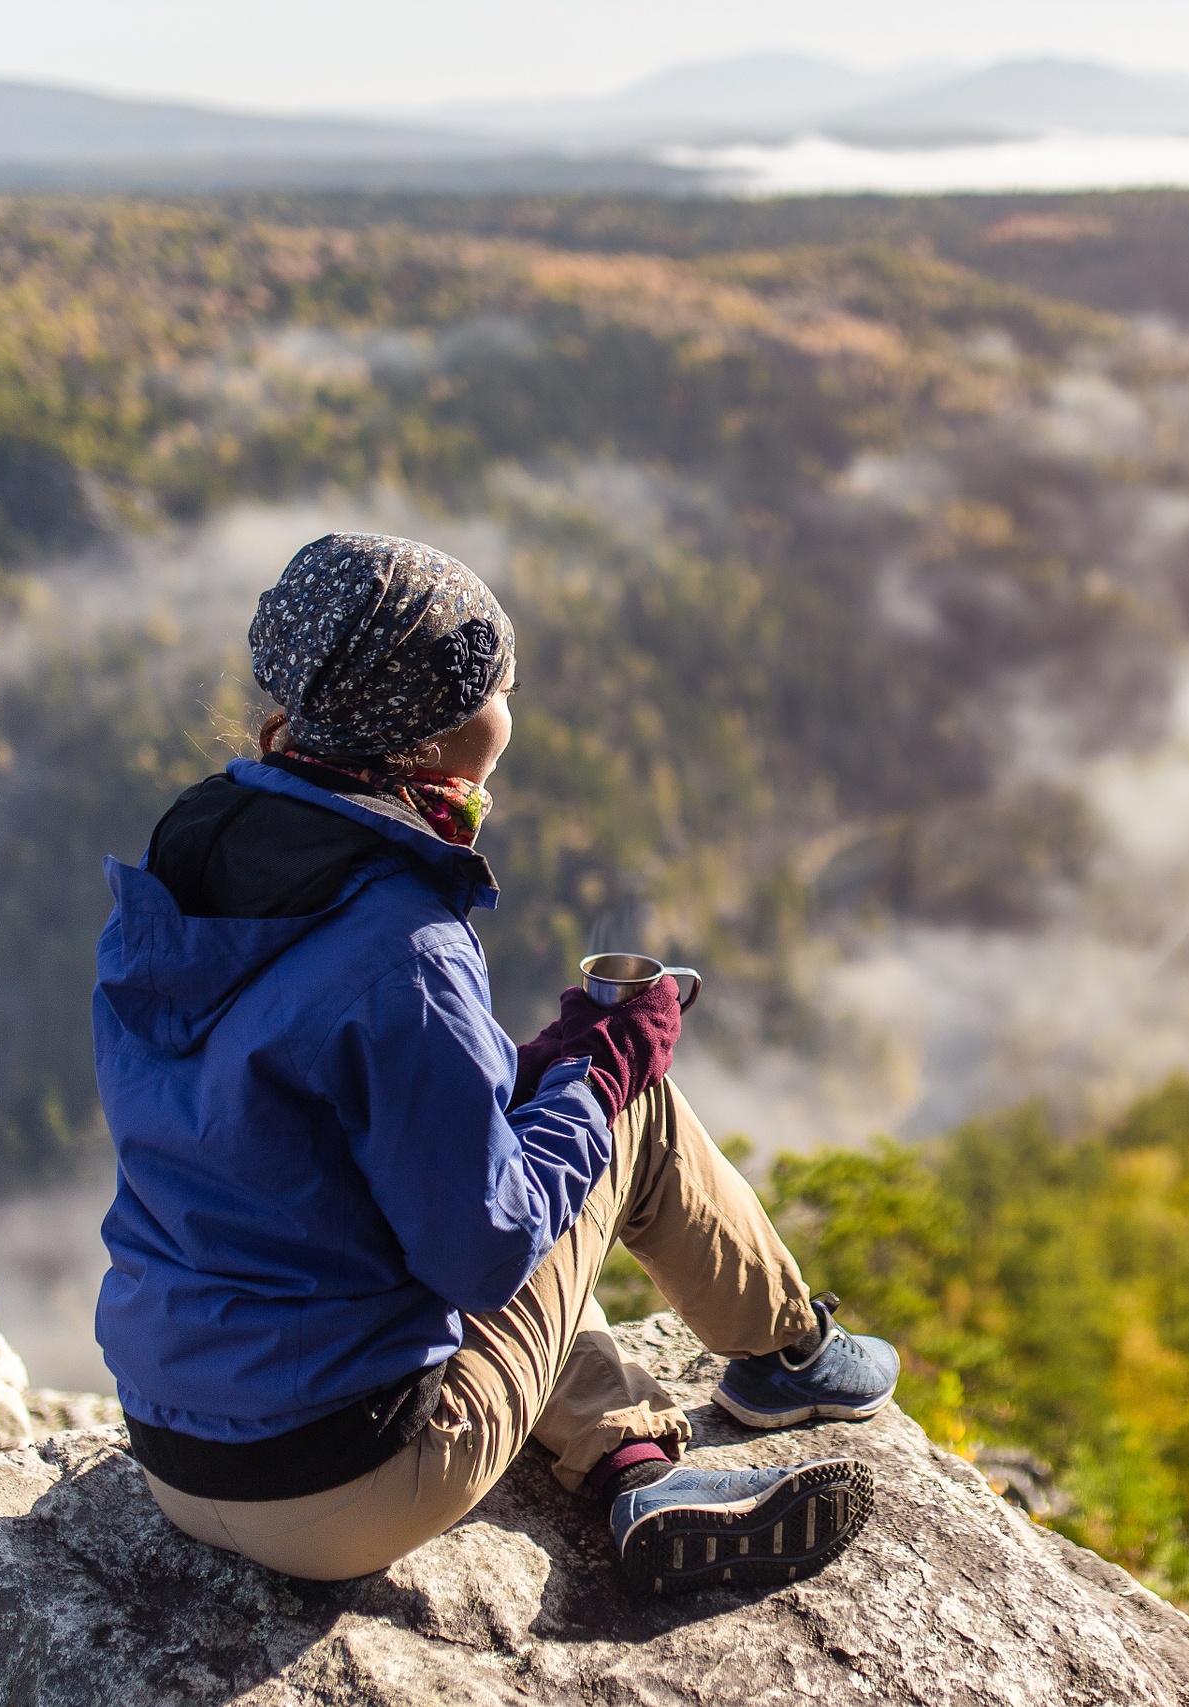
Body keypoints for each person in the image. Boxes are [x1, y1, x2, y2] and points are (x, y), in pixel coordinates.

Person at [91, 532, 899, 1594]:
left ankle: (634, 1467)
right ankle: (785, 1357)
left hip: (179, 1451)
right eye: (501, 688)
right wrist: (607, 1066)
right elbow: (486, 1251)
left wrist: (531, 1076)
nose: (512, 710)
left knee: (534, 1133)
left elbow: (316, 1118)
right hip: (346, 1486)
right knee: (627, 1120)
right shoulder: (403, 941)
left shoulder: (193, 859)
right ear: (443, 732)